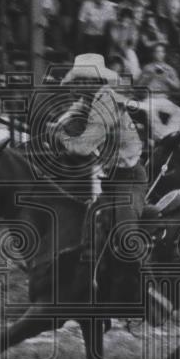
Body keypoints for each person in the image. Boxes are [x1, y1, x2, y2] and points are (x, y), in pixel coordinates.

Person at [45, 54, 146, 303]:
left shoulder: (105, 101)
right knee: (90, 228)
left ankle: (146, 288)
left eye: (81, 81)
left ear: (94, 81)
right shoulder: (85, 100)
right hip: (113, 178)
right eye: (75, 81)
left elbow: (83, 147)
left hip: (129, 177)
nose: (75, 86)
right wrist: (55, 128)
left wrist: (60, 137)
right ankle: (95, 287)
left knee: (126, 232)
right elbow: (65, 119)